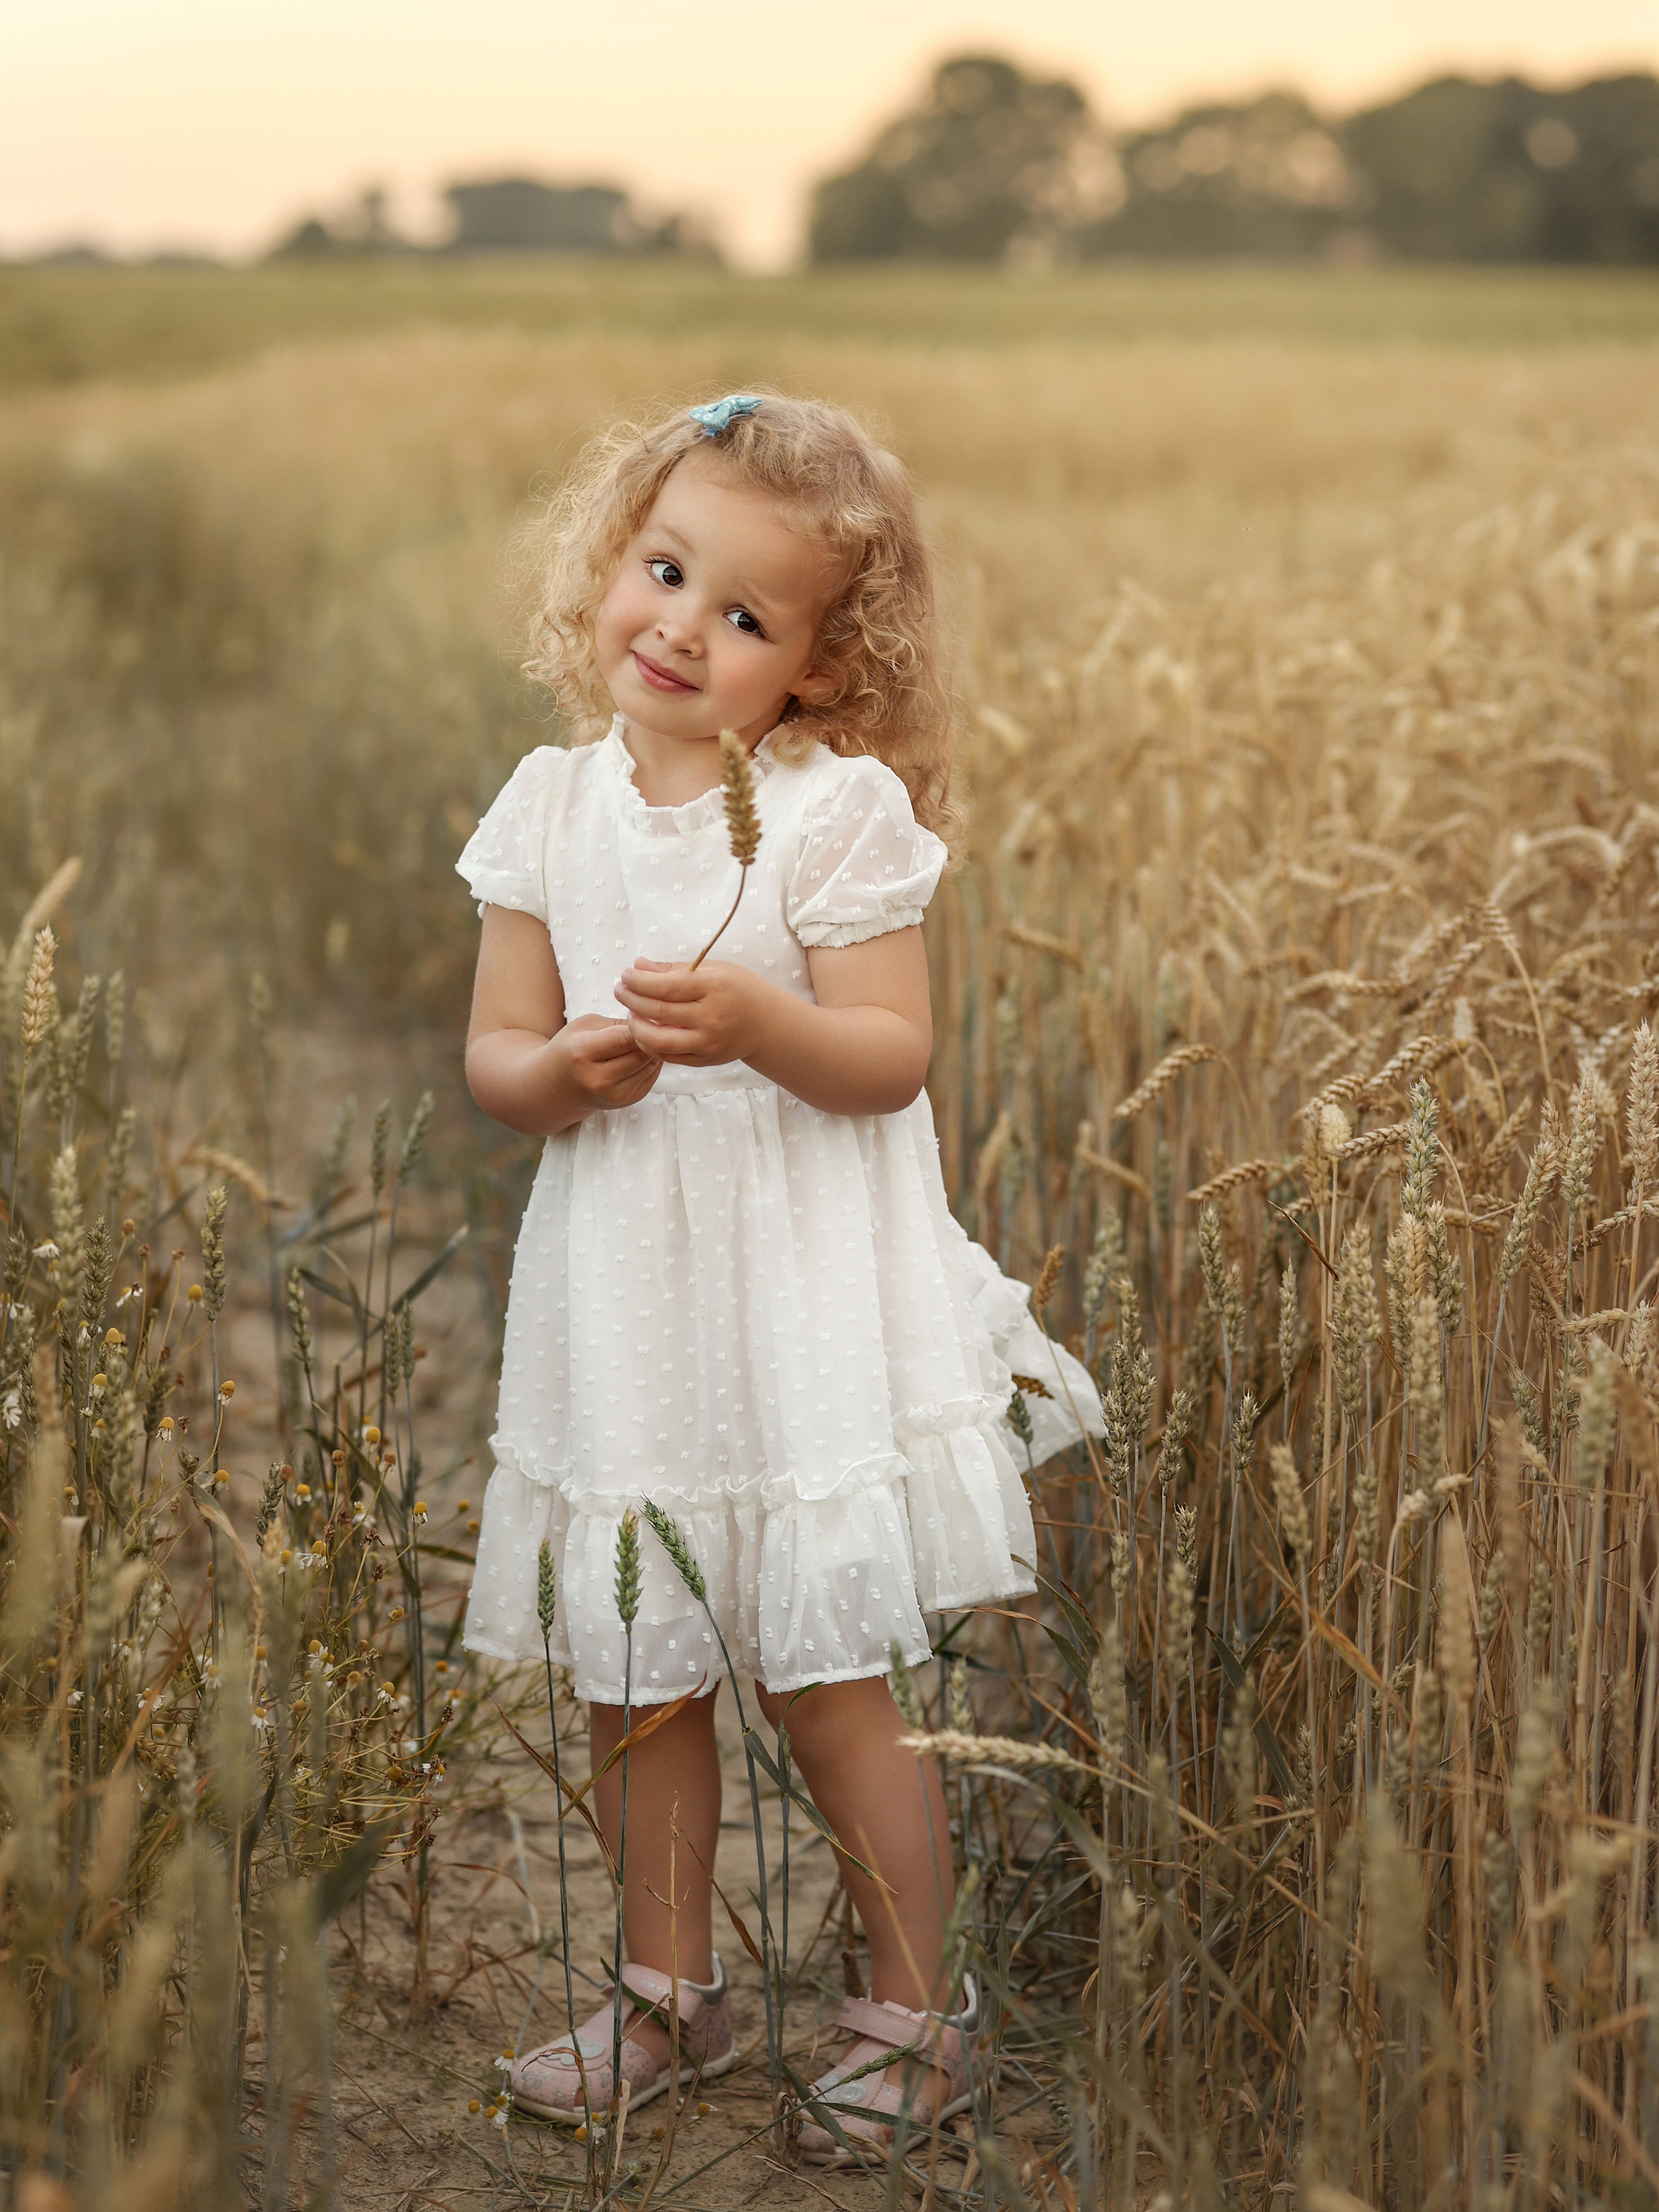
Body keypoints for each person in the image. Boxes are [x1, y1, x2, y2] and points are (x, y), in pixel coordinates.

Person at [457, 390, 1101, 2162]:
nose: (681, 626)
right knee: (637, 1664)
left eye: (745, 615)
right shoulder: (548, 807)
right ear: (611, 568)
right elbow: (494, 1059)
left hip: (796, 1301)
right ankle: (673, 1994)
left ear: (817, 671)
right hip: (630, 1300)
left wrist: (760, 1022)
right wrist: (564, 1070)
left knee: (826, 1677)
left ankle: (916, 2012)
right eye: (663, 572)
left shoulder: (834, 816)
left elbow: (890, 1056)